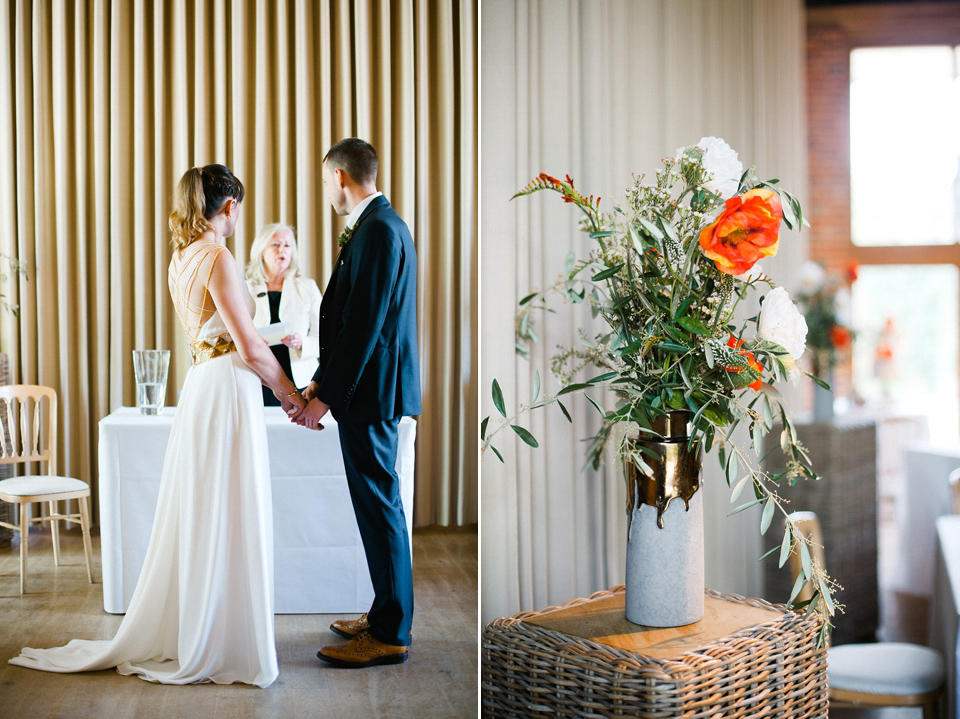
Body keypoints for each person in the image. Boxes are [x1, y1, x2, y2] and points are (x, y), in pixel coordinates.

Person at [8, 164, 306, 687]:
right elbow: (250, 345)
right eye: (237, 207)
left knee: (207, 508)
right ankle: (223, 638)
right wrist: (292, 396)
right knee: (230, 506)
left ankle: (203, 627)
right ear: (229, 207)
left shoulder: (180, 258)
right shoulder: (218, 254)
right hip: (227, 389)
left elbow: (216, 334)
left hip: (201, 384)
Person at [294, 138, 421, 668]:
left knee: (381, 507)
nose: (327, 193)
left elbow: (362, 327)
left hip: (371, 395)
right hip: (370, 390)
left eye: (326, 183)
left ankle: (390, 632)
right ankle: (384, 612)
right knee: (377, 507)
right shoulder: (382, 226)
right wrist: (324, 386)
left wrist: (326, 395)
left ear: (341, 178)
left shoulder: (378, 231)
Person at [244, 223, 322, 406]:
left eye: (287, 245)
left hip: (300, 380)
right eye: (275, 244)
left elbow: (324, 337)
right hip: (258, 378)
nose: (282, 250)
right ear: (261, 251)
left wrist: (302, 343)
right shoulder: (246, 289)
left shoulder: (307, 287)